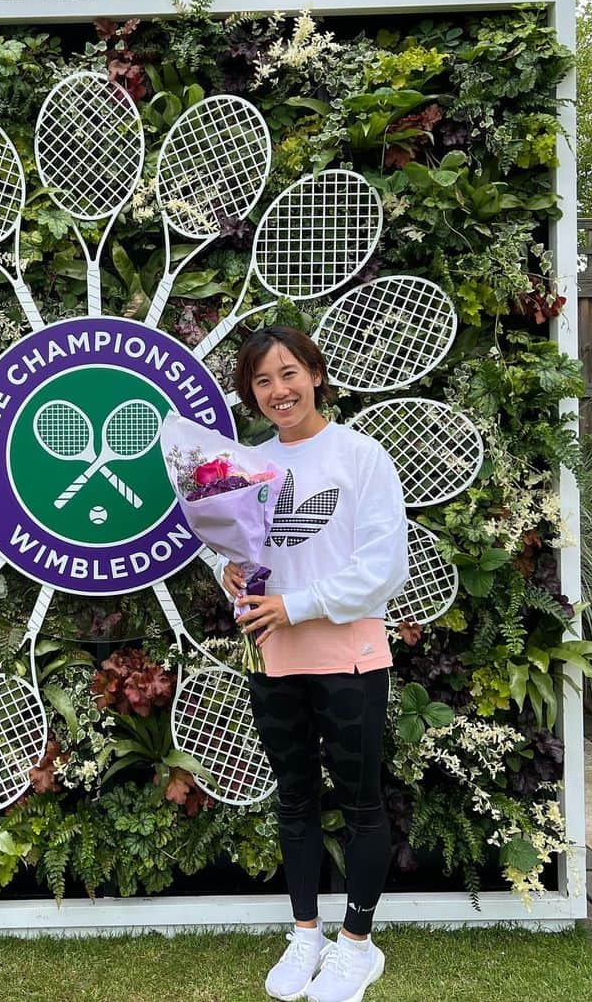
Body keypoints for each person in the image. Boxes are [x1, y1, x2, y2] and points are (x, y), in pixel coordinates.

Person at [218, 325, 408, 1002]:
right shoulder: (247, 465)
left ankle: (357, 944)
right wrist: (233, 575)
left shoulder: (362, 457)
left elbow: (382, 571)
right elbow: (233, 557)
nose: (278, 390)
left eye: (289, 373)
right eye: (263, 381)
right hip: (272, 658)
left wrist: (294, 605)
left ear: (317, 373)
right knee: (294, 798)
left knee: (360, 802)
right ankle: (307, 934)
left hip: (349, 658)